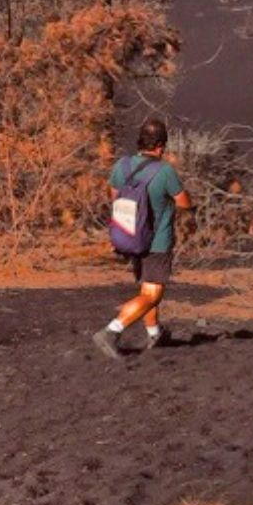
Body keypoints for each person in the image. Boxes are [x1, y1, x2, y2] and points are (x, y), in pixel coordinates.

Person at [93, 116, 192, 358]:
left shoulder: (122, 165)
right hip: (157, 241)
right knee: (152, 294)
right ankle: (111, 331)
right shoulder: (165, 171)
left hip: (129, 236)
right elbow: (184, 202)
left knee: (147, 287)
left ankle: (154, 334)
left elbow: (115, 196)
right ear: (161, 145)